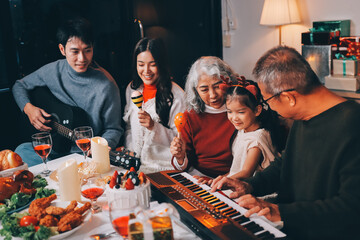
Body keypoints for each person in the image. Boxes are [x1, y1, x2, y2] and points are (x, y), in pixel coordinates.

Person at [210, 46, 360, 240]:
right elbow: (286, 165)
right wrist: (248, 185)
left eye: (267, 100)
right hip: (291, 228)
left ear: (289, 98)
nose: (267, 106)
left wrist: (280, 211)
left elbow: (352, 207)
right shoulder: (304, 116)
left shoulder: (352, 125)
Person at [12, 17, 123, 166]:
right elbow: (19, 86)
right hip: (53, 150)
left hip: (83, 155)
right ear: (62, 49)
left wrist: (101, 147)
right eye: (75, 52)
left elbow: (113, 128)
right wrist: (29, 109)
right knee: (22, 151)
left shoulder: (107, 85)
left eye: (87, 50)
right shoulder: (53, 71)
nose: (82, 58)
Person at [201, 79, 286, 186]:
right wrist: (215, 181)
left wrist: (221, 182)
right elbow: (236, 172)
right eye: (229, 111)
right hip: (238, 184)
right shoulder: (242, 131)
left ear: (257, 110)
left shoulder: (256, 140)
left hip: (255, 191)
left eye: (241, 112)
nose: (234, 117)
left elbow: (246, 173)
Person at [123, 38, 186, 173]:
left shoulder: (176, 96)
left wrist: (154, 126)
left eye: (152, 64)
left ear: (161, 64)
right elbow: (129, 127)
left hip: (164, 167)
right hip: (136, 166)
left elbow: (180, 139)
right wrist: (130, 150)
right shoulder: (132, 89)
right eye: (141, 64)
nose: (146, 71)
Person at [170, 56, 238, 178]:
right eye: (204, 89)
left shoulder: (240, 110)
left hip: (235, 176)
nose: (212, 95)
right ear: (195, 91)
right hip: (200, 177)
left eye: (217, 86)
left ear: (228, 82)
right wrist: (180, 157)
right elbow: (183, 165)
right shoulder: (189, 117)